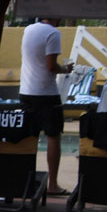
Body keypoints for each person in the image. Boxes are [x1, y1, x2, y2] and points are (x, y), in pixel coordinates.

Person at [19, 17, 70, 194]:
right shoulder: (53, 33)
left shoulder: (28, 29)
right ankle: (53, 185)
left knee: (28, 137)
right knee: (53, 136)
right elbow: (51, 66)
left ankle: (25, 181)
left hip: (26, 90)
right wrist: (65, 69)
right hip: (46, 93)